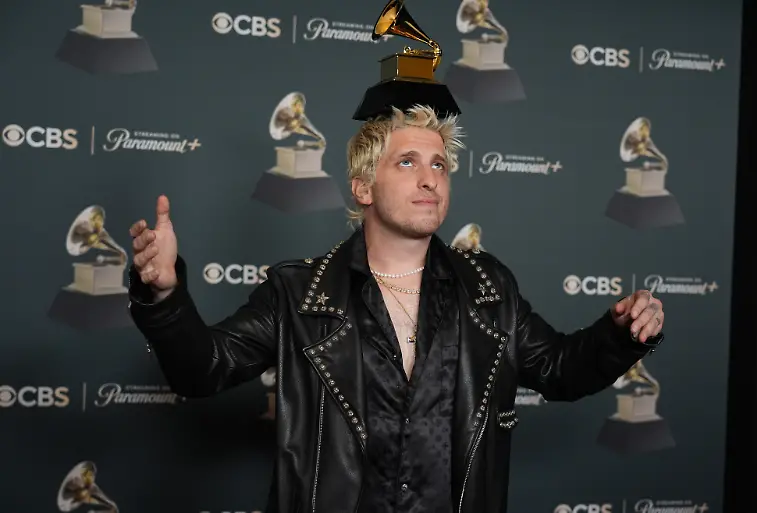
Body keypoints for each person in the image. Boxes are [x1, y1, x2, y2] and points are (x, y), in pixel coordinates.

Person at [126, 104, 665, 513]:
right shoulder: (298, 293)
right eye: (406, 162)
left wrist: (619, 335)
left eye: (439, 165)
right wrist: (165, 293)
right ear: (362, 186)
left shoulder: (489, 288)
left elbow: (559, 370)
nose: (430, 177)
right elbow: (202, 369)